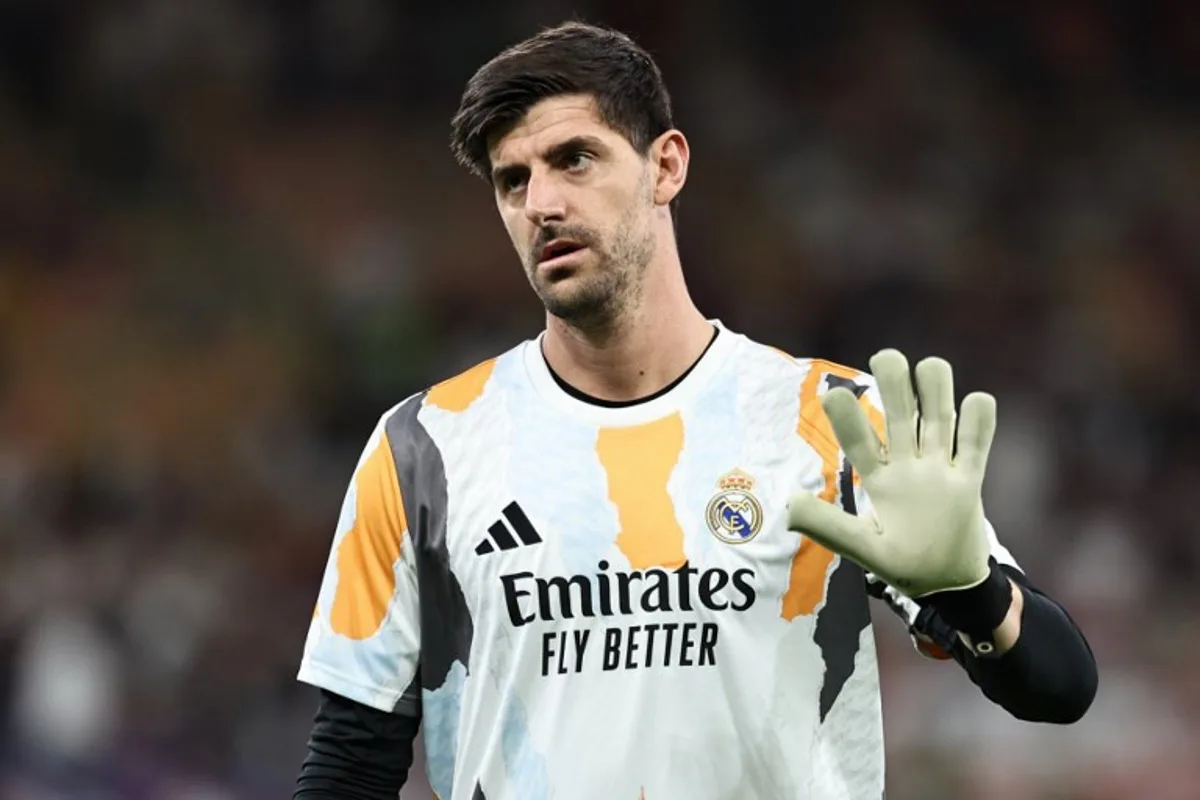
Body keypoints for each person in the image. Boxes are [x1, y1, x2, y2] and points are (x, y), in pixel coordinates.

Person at [292, 21, 1096, 800]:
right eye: (514, 180)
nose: (540, 202)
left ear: (665, 166)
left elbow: (1058, 688)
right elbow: (350, 764)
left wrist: (971, 594)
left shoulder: (830, 421)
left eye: (575, 159)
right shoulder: (425, 447)